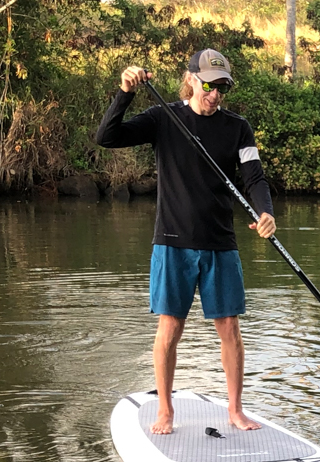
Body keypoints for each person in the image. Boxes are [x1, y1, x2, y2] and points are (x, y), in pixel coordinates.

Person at [96, 49, 276, 434]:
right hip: (173, 241)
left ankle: (235, 410)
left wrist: (265, 211)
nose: (215, 95)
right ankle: (164, 411)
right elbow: (106, 137)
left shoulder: (237, 127)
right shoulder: (164, 118)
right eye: (210, 85)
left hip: (220, 242)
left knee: (229, 327)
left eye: (222, 87)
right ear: (192, 79)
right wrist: (124, 93)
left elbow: (255, 178)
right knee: (170, 328)